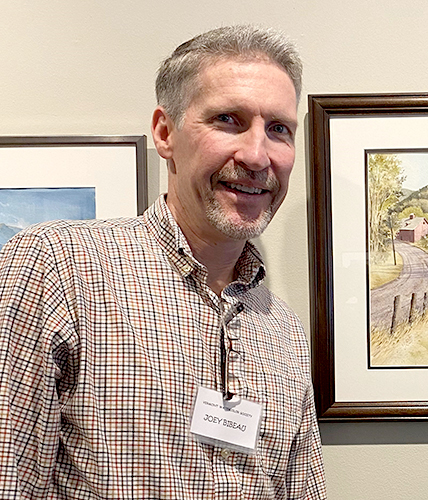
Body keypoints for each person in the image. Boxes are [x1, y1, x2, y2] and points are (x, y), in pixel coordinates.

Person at [0, 25, 326, 499]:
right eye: (229, 120)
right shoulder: (57, 268)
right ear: (165, 132)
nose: (257, 155)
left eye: (279, 129)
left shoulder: (283, 331)